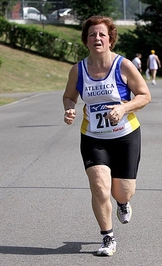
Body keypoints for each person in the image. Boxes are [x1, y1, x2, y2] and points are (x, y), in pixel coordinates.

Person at [62, 15, 151, 257]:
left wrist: (123, 108)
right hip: (93, 137)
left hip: (125, 135)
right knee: (100, 187)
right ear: (86, 41)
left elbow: (144, 95)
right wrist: (69, 108)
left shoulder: (123, 66)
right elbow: (69, 96)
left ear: (110, 40)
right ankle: (107, 237)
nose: (97, 38)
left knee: (122, 191)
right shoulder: (78, 70)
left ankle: (122, 202)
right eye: (92, 34)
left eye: (102, 34)